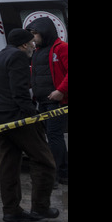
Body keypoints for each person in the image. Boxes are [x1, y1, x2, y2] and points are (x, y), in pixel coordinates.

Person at [0, 28, 59, 222]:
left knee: (8, 164)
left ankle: (11, 210)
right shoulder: (18, 57)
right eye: (32, 43)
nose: (34, 46)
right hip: (17, 117)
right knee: (44, 161)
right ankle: (40, 207)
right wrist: (32, 116)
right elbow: (19, 91)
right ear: (24, 44)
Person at [27, 17, 68, 186]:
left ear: (45, 32)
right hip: (42, 101)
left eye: (36, 33)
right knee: (48, 136)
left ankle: (62, 173)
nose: (34, 37)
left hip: (56, 101)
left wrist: (61, 91)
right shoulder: (37, 52)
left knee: (54, 136)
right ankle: (56, 170)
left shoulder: (61, 48)